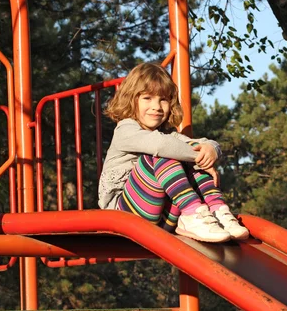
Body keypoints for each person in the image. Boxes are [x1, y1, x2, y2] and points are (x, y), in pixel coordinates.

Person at [98, 63, 249, 243]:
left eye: (163, 99)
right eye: (147, 98)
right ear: (131, 99)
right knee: (168, 151)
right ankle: (192, 212)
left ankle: (216, 209)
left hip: (163, 218)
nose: (157, 106)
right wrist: (199, 159)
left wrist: (211, 149)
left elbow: (199, 144)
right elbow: (161, 145)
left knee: (184, 150)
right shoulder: (125, 129)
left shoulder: (167, 134)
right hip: (124, 216)